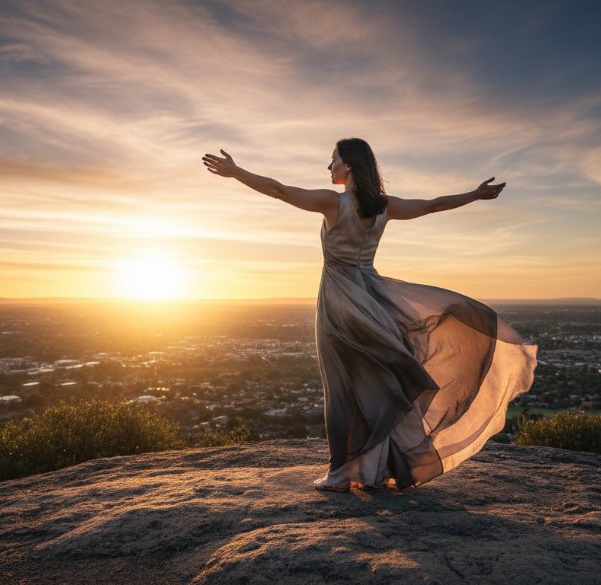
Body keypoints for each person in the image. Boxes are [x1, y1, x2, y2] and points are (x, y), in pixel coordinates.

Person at [202, 138, 537, 492]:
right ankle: (375, 470)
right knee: (375, 385)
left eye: (332, 160)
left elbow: (279, 190)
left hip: (340, 304)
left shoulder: (333, 203)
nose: (328, 167)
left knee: (343, 388)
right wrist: (472, 194)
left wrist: (236, 172)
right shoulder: (384, 207)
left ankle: (341, 474)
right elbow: (433, 205)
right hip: (374, 299)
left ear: (348, 165)